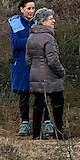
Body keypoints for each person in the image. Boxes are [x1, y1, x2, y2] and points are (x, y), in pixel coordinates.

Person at [26, 8, 68, 140]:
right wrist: (61, 72)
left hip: (35, 76)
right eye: (51, 19)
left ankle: (36, 134)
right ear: (43, 21)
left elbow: (28, 60)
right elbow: (53, 60)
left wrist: (35, 69)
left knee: (38, 104)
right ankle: (59, 133)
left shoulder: (31, 37)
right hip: (50, 78)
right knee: (57, 103)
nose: (53, 21)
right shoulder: (49, 38)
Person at [8, 0, 35, 136]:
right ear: (21, 9)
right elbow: (16, 43)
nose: (31, 11)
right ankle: (25, 123)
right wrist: (33, 39)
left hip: (37, 62)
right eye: (28, 8)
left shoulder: (39, 21)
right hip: (21, 63)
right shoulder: (15, 22)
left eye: (33, 8)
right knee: (24, 94)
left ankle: (46, 122)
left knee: (41, 94)